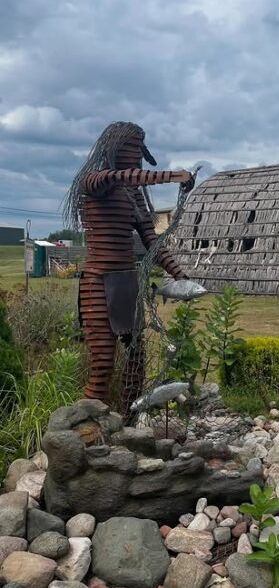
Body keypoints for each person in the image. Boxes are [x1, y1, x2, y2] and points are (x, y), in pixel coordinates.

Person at [63, 121, 194, 413]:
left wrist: (180, 275)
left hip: (128, 285)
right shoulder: (94, 181)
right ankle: (87, 427)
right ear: (114, 148)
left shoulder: (133, 195)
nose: (135, 155)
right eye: (131, 148)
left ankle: (127, 423)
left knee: (136, 362)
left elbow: (152, 241)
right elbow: (122, 176)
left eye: (139, 149)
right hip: (98, 283)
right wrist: (172, 176)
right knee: (103, 366)